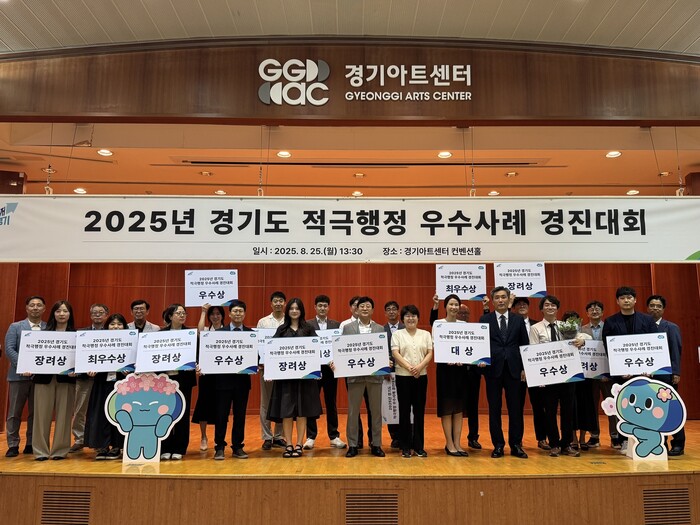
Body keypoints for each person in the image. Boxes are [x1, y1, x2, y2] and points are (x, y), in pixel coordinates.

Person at [602, 286, 659, 451]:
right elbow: (608, 348)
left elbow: (654, 345)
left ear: (635, 300)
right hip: (621, 375)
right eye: (622, 298)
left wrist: (650, 368)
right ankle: (624, 440)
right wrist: (620, 369)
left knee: (644, 407)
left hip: (644, 374)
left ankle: (645, 439)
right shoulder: (610, 322)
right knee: (623, 407)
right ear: (617, 301)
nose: (626, 300)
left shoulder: (647, 320)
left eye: (629, 297)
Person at [267, 298, 322, 458]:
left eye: (297, 308)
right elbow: (272, 351)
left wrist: (316, 370)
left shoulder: (309, 329)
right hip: (285, 379)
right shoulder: (282, 330)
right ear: (288, 311)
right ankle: (289, 444)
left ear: (301, 311)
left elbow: (316, 350)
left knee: (302, 411)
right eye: (291, 308)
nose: (294, 311)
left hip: (305, 378)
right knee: (287, 412)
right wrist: (270, 371)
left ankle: (299, 443)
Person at [480, 286, 529, 459]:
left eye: (503, 297)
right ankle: (498, 445)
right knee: (494, 409)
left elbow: (524, 345)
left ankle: (516, 445)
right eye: (497, 298)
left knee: (516, 409)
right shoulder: (484, 319)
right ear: (492, 301)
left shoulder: (518, 320)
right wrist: (480, 360)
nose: (500, 300)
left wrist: (524, 368)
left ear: (509, 300)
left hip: (514, 370)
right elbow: (481, 344)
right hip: (493, 370)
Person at [528, 296, 579, 457]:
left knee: (568, 411)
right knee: (549, 412)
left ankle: (567, 444)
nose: (550, 307)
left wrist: (581, 342)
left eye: (553, 305)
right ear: (541, 309)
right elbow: (533, 352)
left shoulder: (566, 326)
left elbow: (578, 341)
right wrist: (538, 378)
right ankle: (554, 444)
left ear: (557, 308)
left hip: (567, 375)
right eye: (547, 305)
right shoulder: (535, 328)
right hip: (548, 377)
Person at [340, 296, 386, 458]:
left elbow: (384, 351)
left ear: (372, 310)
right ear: (356, 309)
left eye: (368, 306)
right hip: (355, 376)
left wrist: (386, 360)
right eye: (362, 306)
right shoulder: (348, 328)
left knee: (376, 412)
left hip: (375, 377)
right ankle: (352, 445)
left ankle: (376, 444)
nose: (365, 309)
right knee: (353, 412)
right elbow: (342, 350)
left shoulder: (380, 329)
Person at [32, 300, 77, 460]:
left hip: (66, 380)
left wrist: (76, 370)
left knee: (64, 416)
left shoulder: (77, 336)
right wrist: (28, 367)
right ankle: (40, 451)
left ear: (70, 314)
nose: (61, 314)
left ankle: (60, 450)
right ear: (53, 314)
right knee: (41, 416)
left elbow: (81, 359)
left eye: (65, 311)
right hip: (43, 379)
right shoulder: (42, 334)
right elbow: (32, 355)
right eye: (58, 311)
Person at [4, 295, 46, 457]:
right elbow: (9, 349)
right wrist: (23, 366)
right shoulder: (16, 326)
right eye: (32, 305)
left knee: (36, 413)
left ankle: (31, 443)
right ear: (26, 308)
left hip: (40, 378)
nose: (35, 308)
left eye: (39, 305)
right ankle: (13, 444)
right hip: (18, 376)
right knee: (14, 412)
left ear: (44, 309)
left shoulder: (48, 327)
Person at [84, 313, 129, 460]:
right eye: (112, 324)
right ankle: (102, 446)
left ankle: (117, 446)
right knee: (100, 413)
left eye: (119, 324)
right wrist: (89, 370)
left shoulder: (131, 342)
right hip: (101, 382)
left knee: (119, 413)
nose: (116, 327)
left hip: (122, 384)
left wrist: (130, 369)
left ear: (124, 327)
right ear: (107, 326)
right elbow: (88, 359)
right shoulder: (98, 341)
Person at [212, 300, 253, 460]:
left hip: (242, 382)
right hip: (223, 382)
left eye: (241, 311)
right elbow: (211, 356)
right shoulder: (219, 333)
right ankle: (219, 447)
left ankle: (237, 447)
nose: (238, 314)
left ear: (245, 314)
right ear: (229, 314)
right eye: (235, 311)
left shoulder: (250, 334)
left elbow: (255, 356)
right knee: (221, 415)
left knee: (240, 416)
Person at [431, 294, 470, 456]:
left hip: (460, 370)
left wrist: (464, 358)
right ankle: (449, 443)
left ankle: (458, 443)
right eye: (451, 304)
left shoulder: (464, 325)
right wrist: (447, 357)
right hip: (445, 370)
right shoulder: (438, 323)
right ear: (445, 306)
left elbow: (469, 346)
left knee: (459, 408)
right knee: (447, 407)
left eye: (456, 304)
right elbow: (435, 344)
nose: (454, 307)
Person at [305, 295, 346, 450]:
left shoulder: (336, 325)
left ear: (328, 308)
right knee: (311, 402)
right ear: (315, 307)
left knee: (331, 402)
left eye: (325, 306)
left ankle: (334, 436)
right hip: (313, 369)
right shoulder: (307, 324)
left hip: (330, 369)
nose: (322, 308)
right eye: (320, 305)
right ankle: (310, 436)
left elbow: (339, 347)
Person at [392, 304, 433, 458]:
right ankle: (405, 447)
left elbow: (429, 353)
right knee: (404, 412)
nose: (411, 318)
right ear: (402, 319)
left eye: (413, 315)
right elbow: (395, 353)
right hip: (403, 376)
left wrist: (419, 367)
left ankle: (419, 446)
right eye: (407, 316)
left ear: (418, 318)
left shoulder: (426, 334)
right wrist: (410, 367)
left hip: (421, 377)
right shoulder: (397, 334)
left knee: (419, 412)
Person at [646, 294, 685, 456]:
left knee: (671, 410)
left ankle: (678, 443)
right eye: (652, 306)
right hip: (647, 377)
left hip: (666, 376)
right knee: (653, 411)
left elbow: (676, 351)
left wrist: (676, 372)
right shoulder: (643, 327)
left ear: (663, 309)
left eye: (658, 306)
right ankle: (660, 444)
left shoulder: (671, 327)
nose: (655, 308)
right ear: (647, 308)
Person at [69, 303, 109, 453]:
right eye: (94, 312)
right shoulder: (81, 333)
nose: (97, 315)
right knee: (80, 409)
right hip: (84, 378)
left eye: (101, 312)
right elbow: (74, 354)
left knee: (100, 410)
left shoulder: (112, 333)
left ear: (106, 315)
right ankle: (79, 439)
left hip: (103, 379)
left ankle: (99, 441)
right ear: (90, 315)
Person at [159, 303, 197, 460]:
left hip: (183, 380)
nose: (182, 316)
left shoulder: (190, 334)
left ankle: (180, 448)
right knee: (164, 413)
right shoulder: (160, 334)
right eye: (178, 313)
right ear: (170, 316)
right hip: (164, 380)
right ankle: (165, 447)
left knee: (182, 413)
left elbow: (196, 355)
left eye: (184, 313)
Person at [511, 297, 547, 451]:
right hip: (516, 372)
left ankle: (542, 438)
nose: (522, 305)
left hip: (537, 371)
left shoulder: (538, 325)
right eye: (518, 304)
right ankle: (517, 440)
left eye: (524, 303)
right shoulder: (510, 325)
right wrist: (522, 368)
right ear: (513, 308)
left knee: (539, 406)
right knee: (516, 407)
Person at [256, 291, 287, 450]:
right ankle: (267, 437)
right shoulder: (263, 322)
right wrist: (260, 363)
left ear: (285, 303)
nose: (278, 303)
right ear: (271, 303)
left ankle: (279, 436)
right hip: (266, 368)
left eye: (281, 301)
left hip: (285, 368)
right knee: (266, 402)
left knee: (283, 402)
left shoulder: (289, 320)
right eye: (275, 301)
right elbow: (258, 344)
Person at [192, 304, 225, 451]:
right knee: (203, 405)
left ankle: (219, 439)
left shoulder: (228, 331)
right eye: (213, 314)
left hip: (223, 375)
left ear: (223, 316)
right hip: (206, 375)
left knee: (221, 407)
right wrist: (204, 312)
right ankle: (203, 437)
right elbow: (199, 331)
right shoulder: (206, 330)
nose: (215, 316)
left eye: (218, 314)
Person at [579, 300, 610, 449]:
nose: (594, 311)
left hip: (607, 374)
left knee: (611, 405)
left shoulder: (610, 327)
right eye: (591, 309)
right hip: (589, 375)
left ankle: (615, 437)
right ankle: (594, 436)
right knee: (591, 406)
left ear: (602, 312)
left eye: (598, 309)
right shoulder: (581, 330)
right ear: (587, 313)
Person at [383, 300, 404, 449]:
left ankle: (406, 434)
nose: (391, 311)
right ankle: (395, 436)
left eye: (394, 309)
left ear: (398, 312)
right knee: (391, 404)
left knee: (405, 403)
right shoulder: (380, 330)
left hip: (405, 370)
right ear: (385, 313)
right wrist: (385, 365)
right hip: (388, 372)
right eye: (388, 309)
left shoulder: (406, 328)